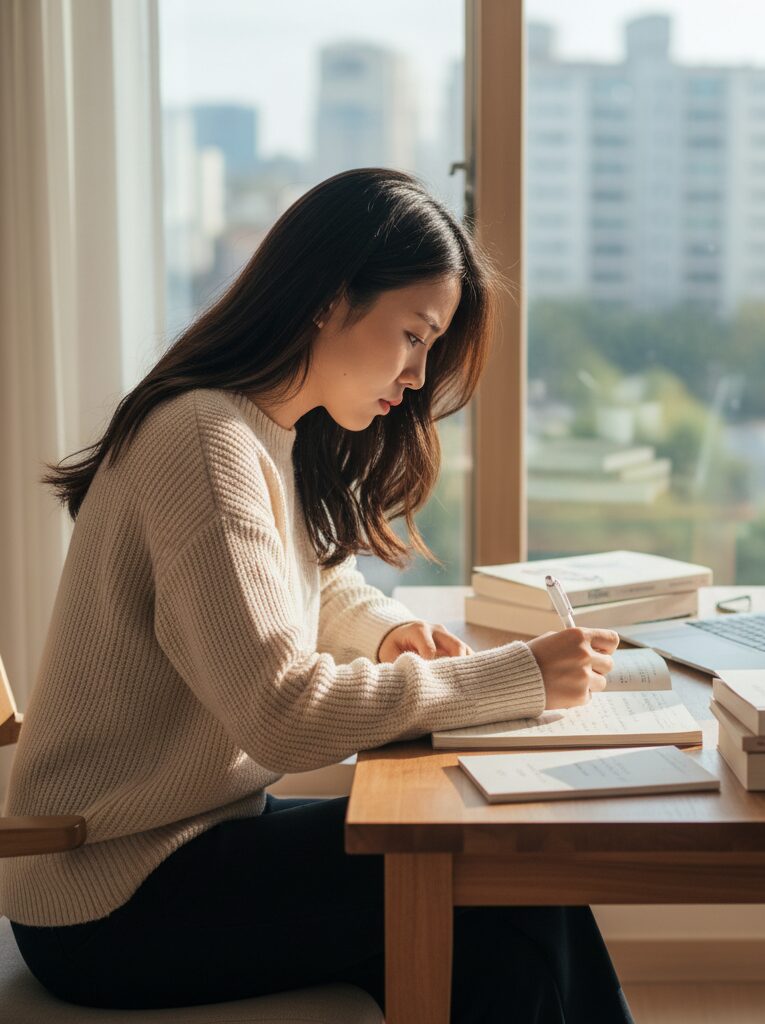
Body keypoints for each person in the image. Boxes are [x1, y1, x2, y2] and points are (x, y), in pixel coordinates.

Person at [0, 168, 634, 1022]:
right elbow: (283, 713)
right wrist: (517, 677)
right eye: (414, 335)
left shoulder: (258, 427)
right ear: (332, 299)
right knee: (500, 887)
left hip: (181, 845)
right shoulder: (204, 440)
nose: (417, 377)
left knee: (503, 898)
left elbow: (310, 578)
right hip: (112, 890)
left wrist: (387, 631)